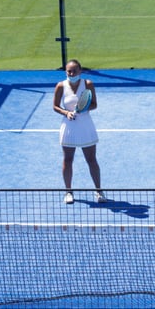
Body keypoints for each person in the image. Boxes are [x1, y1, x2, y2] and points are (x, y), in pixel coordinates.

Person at [53, 59, 105, 204]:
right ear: (66, 72)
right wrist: (66, 113)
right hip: (69, 126)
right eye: (69, 71)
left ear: (80, 71)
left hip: (85, 126)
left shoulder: (88, 84)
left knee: (91, 160)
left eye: (74, 71)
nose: (71, 73)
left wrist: (83, 108)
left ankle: (99, 191)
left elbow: (94, 104)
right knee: (68, 160)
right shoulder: (60, 86)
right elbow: (55, 106)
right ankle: (68, 192)